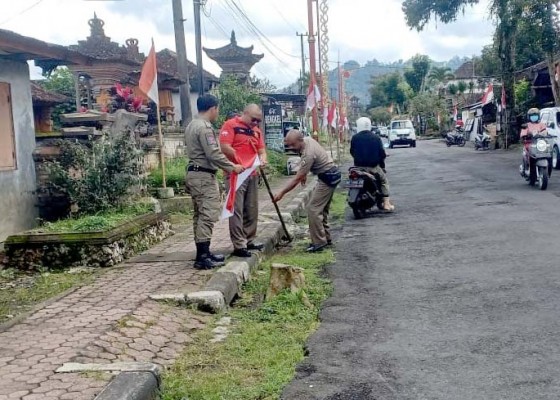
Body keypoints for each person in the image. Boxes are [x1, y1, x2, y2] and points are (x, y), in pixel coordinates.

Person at [185, 94, 244, 270]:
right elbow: (213, 154)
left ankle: (203, 252)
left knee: (199, 214)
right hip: (203, 176)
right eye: (217, 109)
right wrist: (232, 166)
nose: (217, 113)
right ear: (213, 108)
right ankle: (202, 256)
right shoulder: (204, 128)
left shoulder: (191, 125)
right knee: (208, 214)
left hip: (194, 174)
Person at [273, 130, 341, 253]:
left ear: (300, 140)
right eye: (288, 145)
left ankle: (319, 242)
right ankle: (326, 238)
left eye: (293, 144)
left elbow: (297, 178)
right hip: (330, 175)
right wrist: (303, 174)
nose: (291, 148)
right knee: (321, 209)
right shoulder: (308, 141)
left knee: (313, 209)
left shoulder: (308, 154)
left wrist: (282, 192)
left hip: (328, 177)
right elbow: (304, 164)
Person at [219, 104, 268, 257]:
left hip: (252, 173)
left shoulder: (256, 131)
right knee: (237, 210)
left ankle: (249, 239)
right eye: (253, 119)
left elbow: (261, 150)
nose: (255, 123)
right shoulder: (230, 125)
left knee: (252, 208)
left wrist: (263, 159)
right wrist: (239, 159)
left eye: (258, 121)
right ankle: (239, 245)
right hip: (236, 173)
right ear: (245, 113)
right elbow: (224, 146)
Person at [351, 117, 395, 211]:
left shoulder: (355, 138)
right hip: (373, 168)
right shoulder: (376, 137)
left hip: (358, 168)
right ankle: (386, 204)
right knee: (384, 181)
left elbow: (352, 151)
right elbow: (381, 154)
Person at [520, 108, 548, 172]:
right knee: (530, 155)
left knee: (548, 151)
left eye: (535, 115)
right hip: (529, 143)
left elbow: (545, 131)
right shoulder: (527, 125)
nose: (534, 117)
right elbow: (523, 134)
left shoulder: (542, 124)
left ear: (538, 116)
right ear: (529, 117)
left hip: (540, 143)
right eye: (532, 116)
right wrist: (526, 135)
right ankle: (528, 168)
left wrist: (544, 133)